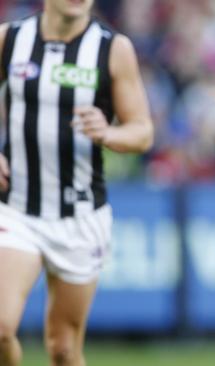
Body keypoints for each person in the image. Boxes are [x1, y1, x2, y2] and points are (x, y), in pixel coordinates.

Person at [0, 1, 153, 365]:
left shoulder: (113, 48)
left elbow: (143, 132)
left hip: (80, 214)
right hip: (18, 207)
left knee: (64, 349)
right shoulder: (11, 38)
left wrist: (109, 133)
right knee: (1, 327)